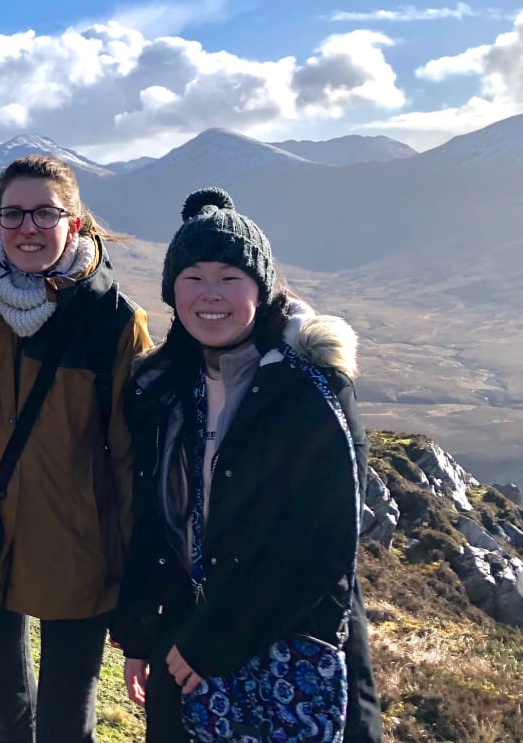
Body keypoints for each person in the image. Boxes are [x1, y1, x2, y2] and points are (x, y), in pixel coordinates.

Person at [113, 187, 368, 743]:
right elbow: (152, 519)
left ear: (262, 287)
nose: (211, 295)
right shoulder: (158, 389)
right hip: (181, 646)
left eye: (230, 277)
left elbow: (323, 550)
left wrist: (214, 641)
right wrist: (137, 633)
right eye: (192, 277)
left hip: (287, 648)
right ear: (170, 290)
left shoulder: (313, 390)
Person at [0, 154, 152, 743]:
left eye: (45, 214)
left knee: (64, 724)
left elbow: (130, 454)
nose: (28, 227)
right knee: (7, 710)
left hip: (80, 543)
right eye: (14, 213)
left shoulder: (114, 321)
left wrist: (136, 568)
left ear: (74, 223)